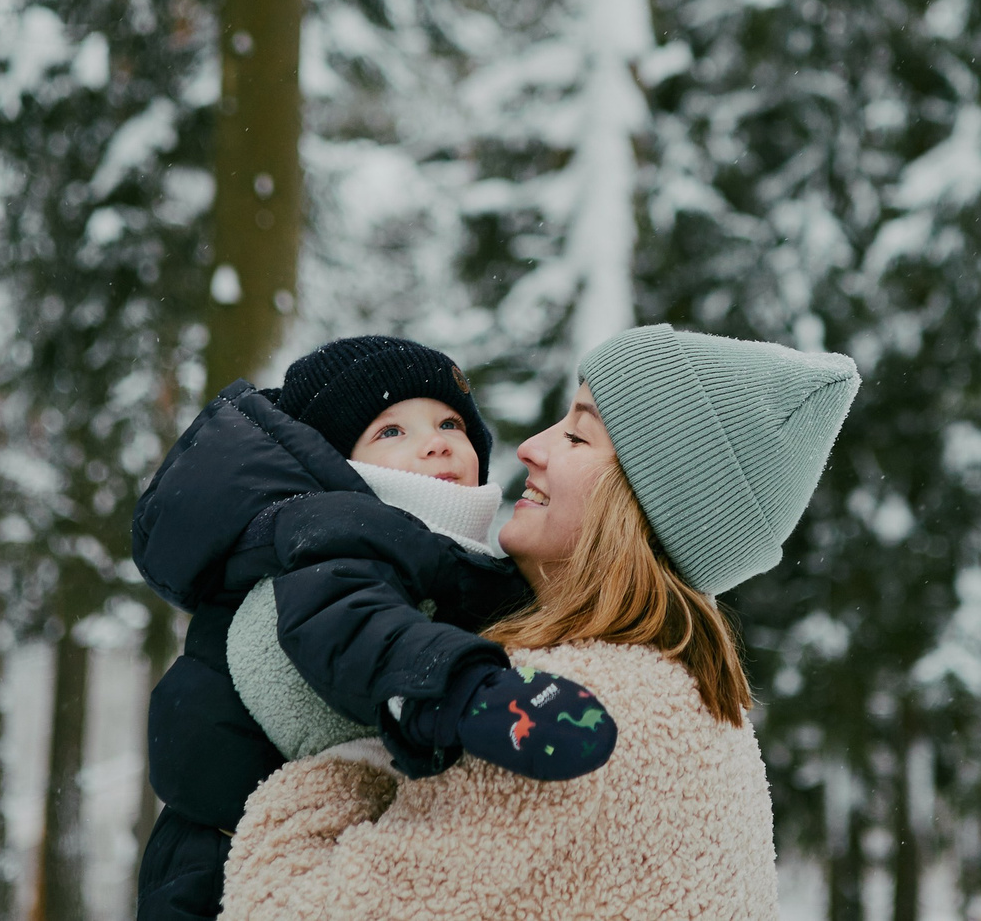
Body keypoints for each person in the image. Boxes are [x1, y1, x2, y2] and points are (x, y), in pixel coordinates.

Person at [221, 325, 860, 921]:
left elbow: (278, 906)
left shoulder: (555, 718)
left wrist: (331, 758)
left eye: (578, 436)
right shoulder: (689, 702)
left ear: (642, 503)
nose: (529, 447)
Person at [131, 337, 617, 921]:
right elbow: (353, 626)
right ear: (339, 463)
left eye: (450, 423)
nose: (436, 442)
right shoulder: (332, 534)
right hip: (214, 858)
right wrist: (465, 692)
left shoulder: (445, 555)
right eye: (392, 431)